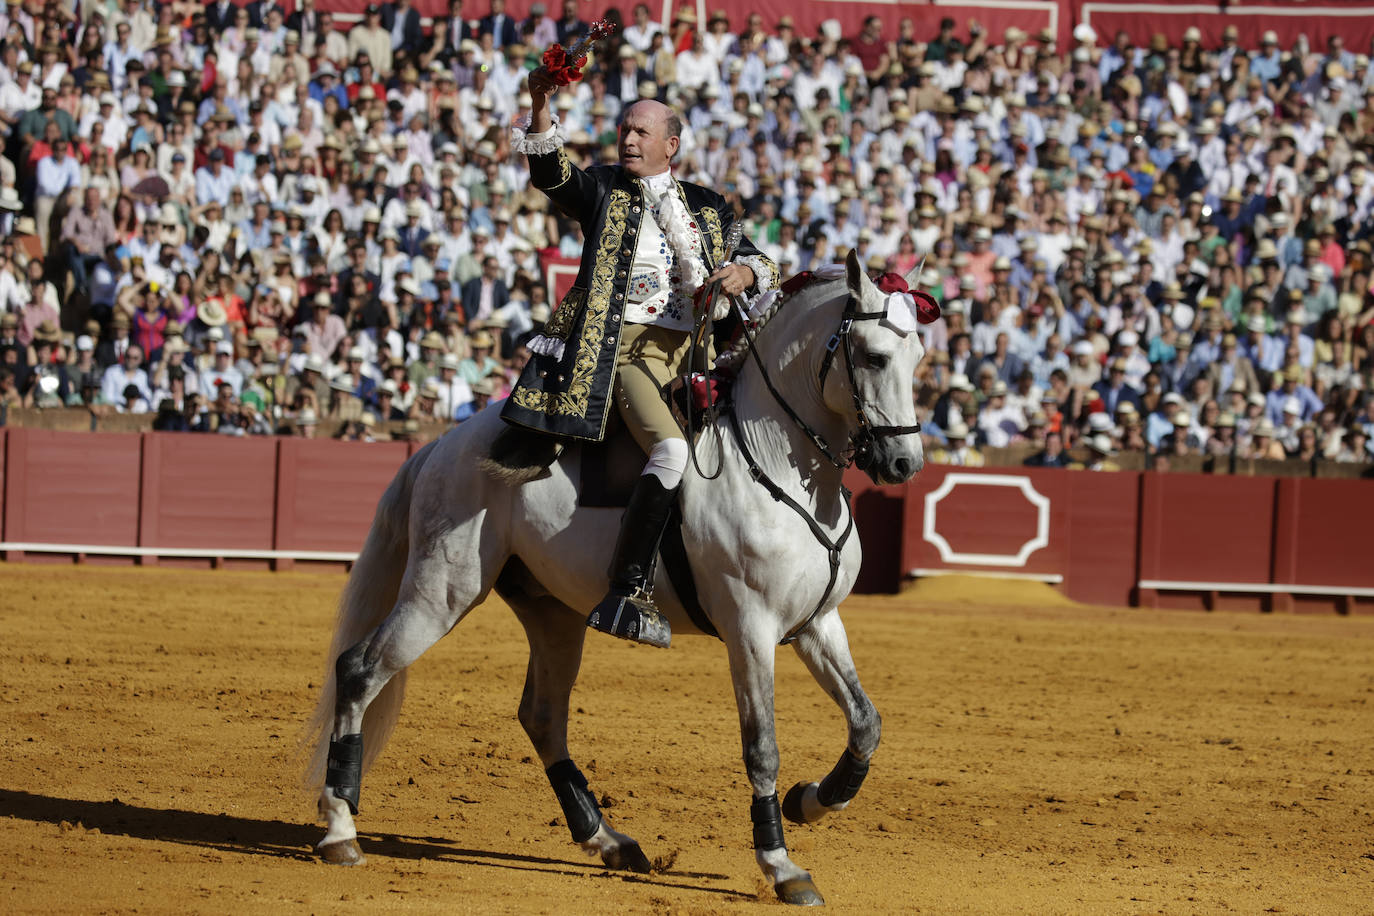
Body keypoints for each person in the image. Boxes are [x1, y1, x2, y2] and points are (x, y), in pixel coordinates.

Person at [500, 67, 777, 647]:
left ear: (670, 145)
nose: (628, 139)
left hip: (696, 360)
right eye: (625, 128)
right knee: (673, 450)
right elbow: (551, 173)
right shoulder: (602, 187)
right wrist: (541, 101)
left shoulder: (707, 206)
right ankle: (625, 589)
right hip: (623, 355)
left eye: (641, 131)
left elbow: (762, 263)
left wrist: (744, 270)